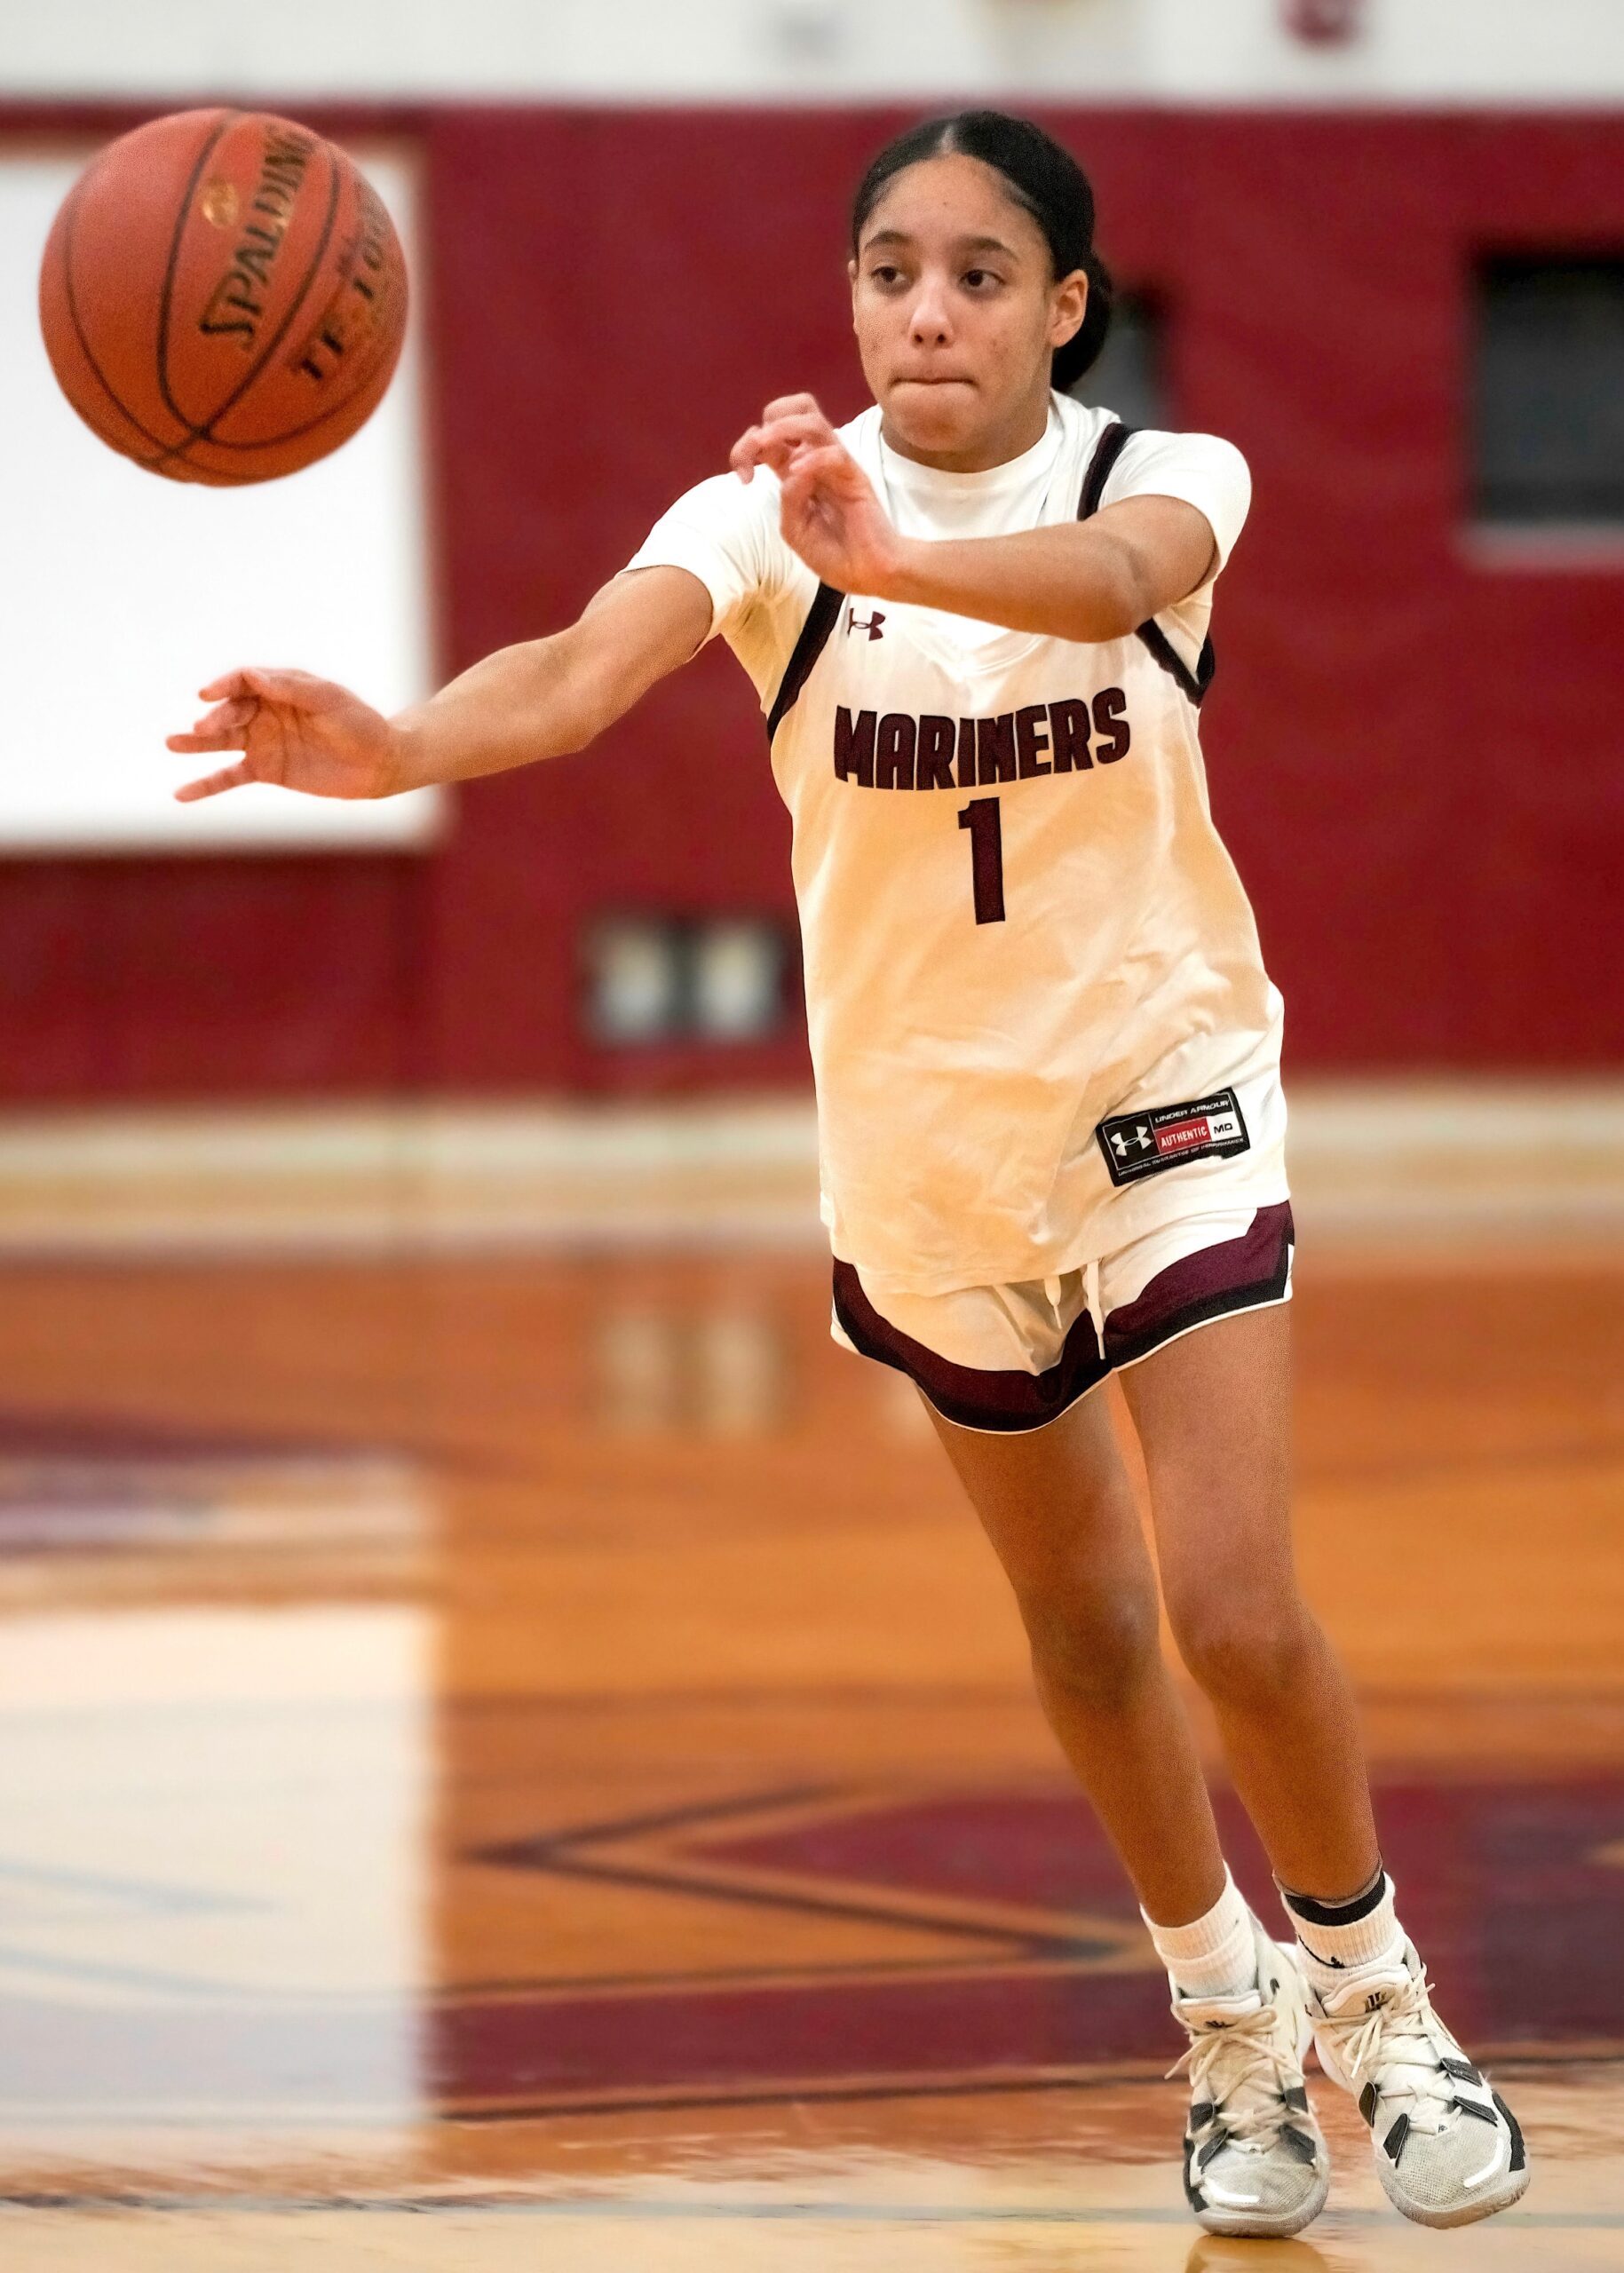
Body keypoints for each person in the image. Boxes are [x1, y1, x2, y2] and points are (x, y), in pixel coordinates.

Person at [168, 108, 1527, 2239]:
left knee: (1234, 1606)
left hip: (1164, 1088)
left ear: (1068, 309)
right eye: (893, 268)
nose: (929, 309)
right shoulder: (761, 515)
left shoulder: (1162, 478)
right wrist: (399, 743)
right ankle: (1231, 2024)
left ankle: (1381, 1994)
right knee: (1081, 1631)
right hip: (926, 1141)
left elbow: (1112, 585)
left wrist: (892, 559)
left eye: (982, 273)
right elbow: (580, 674)